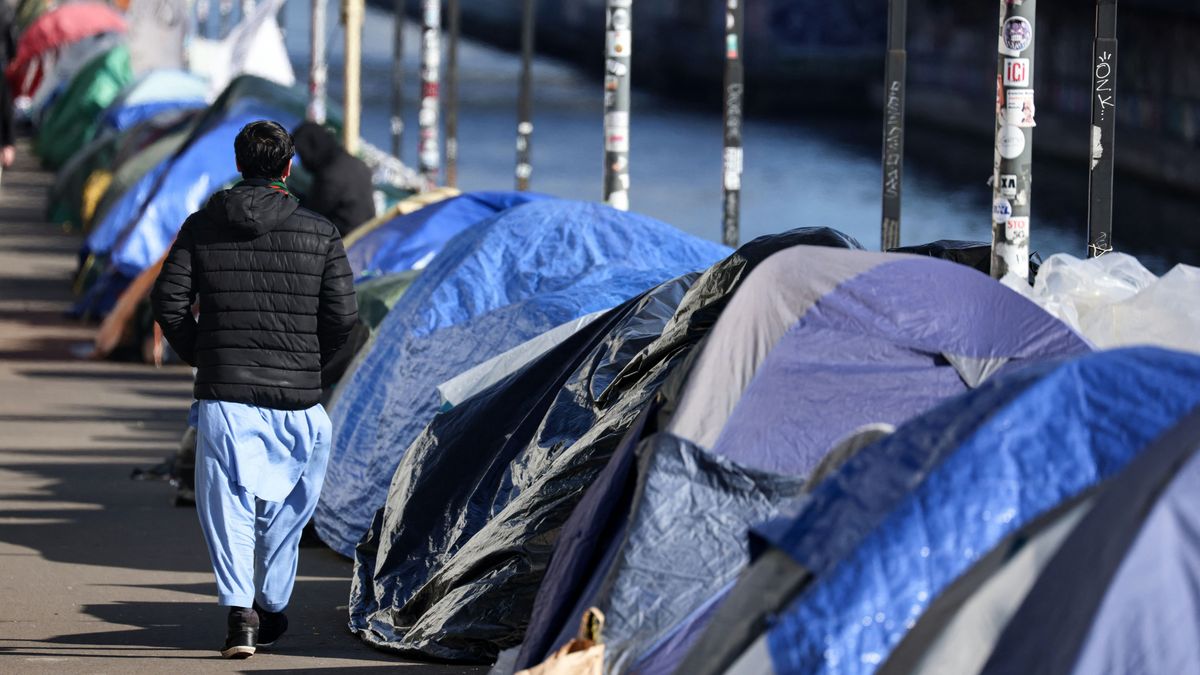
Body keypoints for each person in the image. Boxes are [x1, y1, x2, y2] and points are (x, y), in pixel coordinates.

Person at [150, 120, 357, 659]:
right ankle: (269, 603)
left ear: (239, 165)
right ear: (288, 169)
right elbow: (344, 318)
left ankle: (241, 615)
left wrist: (205, 356)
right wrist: (309, 364)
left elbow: (168, 303)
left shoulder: (201, 226)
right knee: (288, 510)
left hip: (225, 396)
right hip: (300, 399)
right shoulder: (321, 232)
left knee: (227, 509)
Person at [291, 121, 375, 236]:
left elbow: (313, 214)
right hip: (367, 235)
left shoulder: (330, 175)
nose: (303, 161)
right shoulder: (356, 163)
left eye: (302, 154)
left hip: (346, 241)